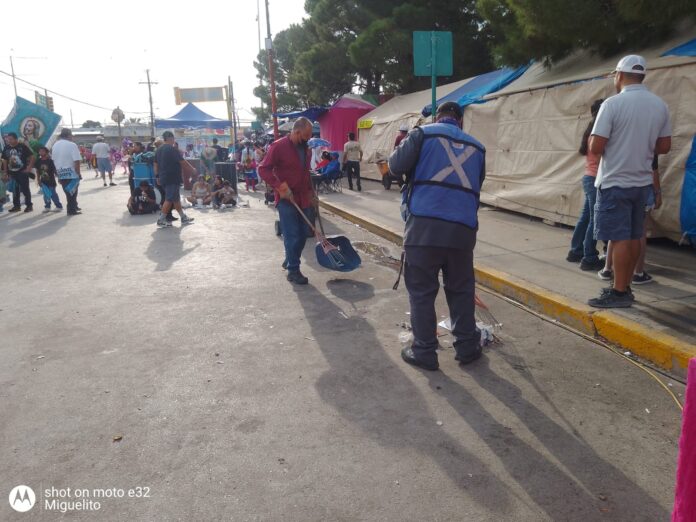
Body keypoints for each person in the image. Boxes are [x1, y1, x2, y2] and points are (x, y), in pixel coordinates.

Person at [388, 101, 485, 371]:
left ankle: (424, 351)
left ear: (438, 117)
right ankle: (467, 347)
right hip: (463, 230)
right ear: (460, 121)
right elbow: (477, 184)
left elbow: (395, 166)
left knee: (422, 291)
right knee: (461, 290)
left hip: (424, 228)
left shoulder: (422, 134)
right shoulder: (478, 147)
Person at [587, 55, 671, 308]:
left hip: (615, 181)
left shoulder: (612, 104)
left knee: (619, 237)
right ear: (642, 76)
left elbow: (596, 147)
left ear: (620, 75)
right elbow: (664, 147)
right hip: (642, 182)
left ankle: (619, 292)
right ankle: (625, 287)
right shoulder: (659, 105)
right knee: (635, 236)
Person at [258, 117, 316, 285]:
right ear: (296, 132)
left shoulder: (306, 149)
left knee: (305, 233)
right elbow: (263, 169)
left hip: (303, 196)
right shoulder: (278, 146)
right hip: (286, 198)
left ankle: (290, 258)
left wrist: (312, 193)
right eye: (306, 136)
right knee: (292, 234)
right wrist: (279, 186)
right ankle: (293, 270)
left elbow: (306, 173)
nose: (308, 140)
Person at [599, 154, 662, 285]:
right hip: (642, 189)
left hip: (618, 187)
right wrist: (658, 193)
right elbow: (654, 170)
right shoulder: (648, 146)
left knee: (617, 232)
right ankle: (637, 273)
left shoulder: (620, 146)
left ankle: (607, 269)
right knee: (639, 232)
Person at [567, 99, 604, 271]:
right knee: (594, 219)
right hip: (595, 179)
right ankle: (589, 256)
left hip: (589, 177)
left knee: (586, 217)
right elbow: (602, 158)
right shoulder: (599, 134)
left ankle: (576, 251)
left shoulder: (591, 130)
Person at [154, 131, 195, 228]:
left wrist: (157, 176)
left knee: (176, 199)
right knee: (169, 199)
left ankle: (183, 217)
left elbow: (155, 164)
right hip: (172, 178)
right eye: (173, 138)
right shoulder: (172, 149)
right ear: (170, 138)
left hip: (164, 177)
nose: (174, 140)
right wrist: (192, 169)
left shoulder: (158, 150)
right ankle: (161, 220)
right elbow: (183, 162)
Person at [51, 128, 82, 215]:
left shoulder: (55, 145)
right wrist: (78, 173)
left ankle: (74, 206)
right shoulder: (72, 145)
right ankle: (71, 210)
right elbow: (77, 160)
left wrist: (57, 174)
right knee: (72, 192)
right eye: (71, 136)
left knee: (68, 192)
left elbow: (53, 161)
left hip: (61, 172)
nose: (72, 137)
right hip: (72, 173)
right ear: (68, 135)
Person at [1, 132, 35, 212]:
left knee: (25, 189)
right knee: (15, 190)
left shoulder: (22, 146)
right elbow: (5, 160)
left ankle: (29, 205)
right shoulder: (6, 148)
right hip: (12, 173)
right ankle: (16, 206)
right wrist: (5, 172)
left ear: (16, 139)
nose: (9, 141)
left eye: (11, 139)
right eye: (8, 139)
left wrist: (29, 168)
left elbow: (32, 157)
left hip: (22, 172)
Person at [36, 146, 63, 212]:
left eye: (43, 151)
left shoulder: (50, 161)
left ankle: (59, 206)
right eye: (40, 151)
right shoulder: (38, 161)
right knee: (45, 195)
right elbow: (37, 171)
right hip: (43, 181)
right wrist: (38, 180)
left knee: (53, 194)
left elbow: (55, 171)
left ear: (46, 152)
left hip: (51, 181)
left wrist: (59, 178)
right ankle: (47, 207)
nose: (41, 152)